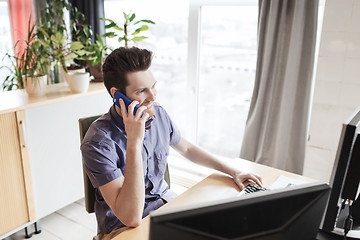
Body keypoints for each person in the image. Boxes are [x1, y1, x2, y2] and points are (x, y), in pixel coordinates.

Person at [81, 46, 263, 240]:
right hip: (121, 229)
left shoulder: (157, 113)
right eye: (142, 91)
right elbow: (131, 217)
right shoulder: (97, 143)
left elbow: (188, 149)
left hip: (167, 207)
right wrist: (134, 141)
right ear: (117, 95)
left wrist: (234, 171)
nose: (152, 96)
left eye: (153, 86)